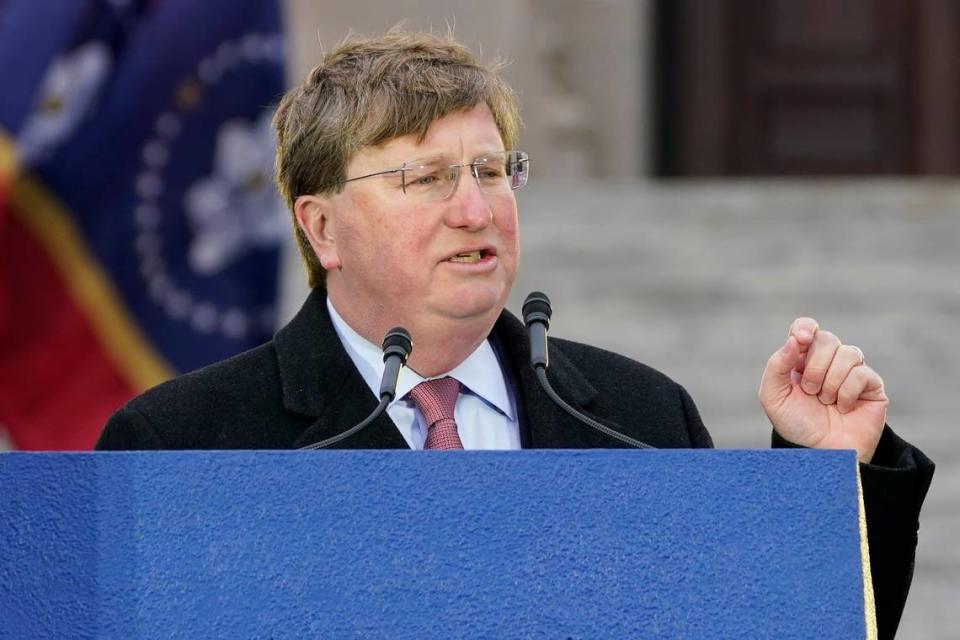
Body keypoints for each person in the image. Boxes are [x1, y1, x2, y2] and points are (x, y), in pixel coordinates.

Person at [96, 28, 934, 638]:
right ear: (321, 229)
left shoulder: (640, 421)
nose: (476, 208)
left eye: (493, 171)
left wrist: (826, 482)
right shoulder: (182, 446)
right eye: (426, 177)